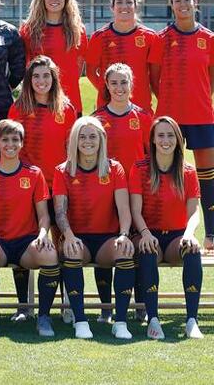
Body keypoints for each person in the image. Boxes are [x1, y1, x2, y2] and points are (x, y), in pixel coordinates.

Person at [0, 120, 59, 337]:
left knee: (50, 255)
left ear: (22, 144)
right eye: (5, 140)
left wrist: (42, 234)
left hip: (26, 243)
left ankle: (43, 317)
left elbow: (44, 215)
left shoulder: (34, 173)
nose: (10, 144)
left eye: (15, 140)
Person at [8, 55, 77, 322]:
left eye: (46, 76)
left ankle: (66, 303)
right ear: (29, 80)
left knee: (61, 244)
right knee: (25, 242)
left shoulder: (66, 109)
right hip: (26, 187)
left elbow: (72, 152)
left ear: (54, 79)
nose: (41, 81)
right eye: (36, 76)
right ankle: (24, 305)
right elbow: (11, 147)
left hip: (58, 186)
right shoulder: (19, 108)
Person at [53, 116, 135, 339]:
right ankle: (80, 321)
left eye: (92, 136)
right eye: (82, 136)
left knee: (125, 250)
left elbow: (124, 209)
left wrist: (124, 235)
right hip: (77, 238)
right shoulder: (63, 170)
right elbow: (60, 212)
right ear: (74, 140)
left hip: (107, 239)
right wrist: (68, 236)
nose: (87, 141)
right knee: (71, 251)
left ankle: (120, 322)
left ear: (101, 139)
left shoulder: (114, 168)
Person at [150, 0, 214, 253]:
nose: (183, 4)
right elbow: (153, 77)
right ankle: (161, 231)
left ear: (195, 2)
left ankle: (211, 234)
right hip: (169, 118)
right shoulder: (161, 38)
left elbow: (211, 77)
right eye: (177, 0)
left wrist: (198, 95)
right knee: (166, 173)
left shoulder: (209, 38)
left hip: (201, 115)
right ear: (172, 5)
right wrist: (168, 101)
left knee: (207, 175)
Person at [129, 116, 204, 339]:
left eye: (170, 135)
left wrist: (189, 234)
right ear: (152, 139)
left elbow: (194, 211)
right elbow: (135, 210)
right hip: (146, 233)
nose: (165, 140)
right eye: (160, 135)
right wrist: (144, 234)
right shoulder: (140, 168)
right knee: (148, 250)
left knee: (192, 249)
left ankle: (192, 320)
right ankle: (153, 319)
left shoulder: (188, 171)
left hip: (175, 238)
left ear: (178, 140)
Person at [92, 62, 152, 323]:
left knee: (136, 248)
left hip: (136, 194)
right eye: (114, 83)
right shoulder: (97, 119)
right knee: (107, 247)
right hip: (104, 193)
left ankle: (139, 304)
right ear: (106, 85)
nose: (119, 88)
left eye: (123, 82)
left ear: (131, 85)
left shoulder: (143, 117)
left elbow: (151, 157)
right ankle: (106, 307)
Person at [20, 0, 87, 115]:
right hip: (37, 104)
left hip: (71, 103)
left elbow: (79, 66)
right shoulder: (28, 30)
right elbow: (25, 67)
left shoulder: (78, 30)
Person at [86, 0, 158, 112]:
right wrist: (110, 91)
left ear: (136, 6)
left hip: (141, 108)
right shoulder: (99, 37)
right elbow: (91, 73)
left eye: (129, 2)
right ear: (112, 7)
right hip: (108, 107)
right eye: (119, 2)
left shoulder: (150, 37)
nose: (124, 6)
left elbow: (155, 76)